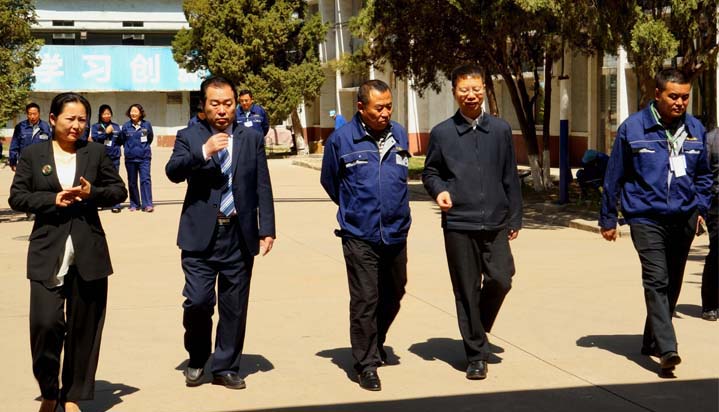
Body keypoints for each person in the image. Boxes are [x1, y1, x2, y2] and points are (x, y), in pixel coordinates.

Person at [8, 92, 127, 412]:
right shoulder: (33, 154)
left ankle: (73, 395)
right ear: (53, 119)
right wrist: (51, 200)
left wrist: (92, 193)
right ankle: (49, 391)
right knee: (45, 325)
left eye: (82, 120)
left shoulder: (95, 152)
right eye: (70, 119)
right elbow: (17, 197)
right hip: (47, 251)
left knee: (84, 328)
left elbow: (119, 190)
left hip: (88, 252)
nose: (76, 125)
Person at [166, 75, 276, 390]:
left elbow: (262, 183)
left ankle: (225, 366)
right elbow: (173, 172)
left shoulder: (250, 137)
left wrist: (267, 227)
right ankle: (198, 356)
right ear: (203, 106)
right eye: (215, 104)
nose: (223, 110)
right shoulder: (189, 136)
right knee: (198, 301)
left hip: (239, 234)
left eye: (228, 103)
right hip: (200, 234)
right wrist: (204, 151)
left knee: (234, 305)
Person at [600, 68, 712, 375]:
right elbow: (614, 176)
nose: (680, 102)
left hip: (684, 218)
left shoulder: (695, 129)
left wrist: (701, 209)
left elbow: (704, 176)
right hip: (645, 217)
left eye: (685, 97)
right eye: (673, 96)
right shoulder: (633, 128)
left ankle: (651, 338)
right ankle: (667, 348)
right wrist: (608, 218)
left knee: (672, 282)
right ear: (657, 94)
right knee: (657, 279)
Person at [422, 64, 522, 381]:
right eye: (464, 90)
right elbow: (430, 172)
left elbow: (510, 175)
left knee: (501, 279)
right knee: (466, 290)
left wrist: (515, 216)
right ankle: (476, 355)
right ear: (454, 92)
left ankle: (476, 326)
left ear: (484, 90)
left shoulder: (500, 130)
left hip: (495, 221)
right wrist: (439, 191)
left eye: (476, 89)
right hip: (459, 223)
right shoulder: (442, 133)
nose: (471, 95)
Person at [320, 79, 412, 391]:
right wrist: (355, 207)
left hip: (396, 230)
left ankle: (376, 338)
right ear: (361, 108)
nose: (385, 113)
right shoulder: (341, 140)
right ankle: (366, 364)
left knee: (395, 292)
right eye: (379, 108)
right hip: (359, 233)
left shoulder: (399, 134)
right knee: (365, 299)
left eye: (389, 107)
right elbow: (330, 181)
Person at [119, 103, 154, 212]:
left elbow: (150, 138)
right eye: (131, 111)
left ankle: (147, 204)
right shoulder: (126, 126)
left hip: (144, 158)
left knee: (145, 180)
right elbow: (122, 139)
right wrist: (129, 149)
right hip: (130, 158)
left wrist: (143, 148)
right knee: (132, 182)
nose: (133, 113)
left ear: (140, 113)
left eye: (135, 111)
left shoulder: (147, 125)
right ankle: (134, 203)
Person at [90, 105, 123, 213]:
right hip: (101, 157)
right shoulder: (96, 126)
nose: (106, 116)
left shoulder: (116, 126)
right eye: (104, 114)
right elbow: (95, 138)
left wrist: (116, 148)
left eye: (108, 113)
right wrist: (106, 133)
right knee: (100, 179)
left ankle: (116, 204)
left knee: (115, 180)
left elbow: (121, 140)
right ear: (100, 115)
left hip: (114, 156)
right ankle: (101, 202)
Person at [701, 127, 718, 321]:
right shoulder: (711, 140)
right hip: (717, 207)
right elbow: (702, 176)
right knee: (716, 254)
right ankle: (710, 305)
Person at [9, 103, 52, 171]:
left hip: (41, 164)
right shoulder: (20, 127)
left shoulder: (46, 127)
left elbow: (50, 146)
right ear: (27, 114)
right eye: (30, 114)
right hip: (24, 163)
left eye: (35, 114)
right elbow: (14, 146)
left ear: (39, 114)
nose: (32, 116)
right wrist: (13, 162)